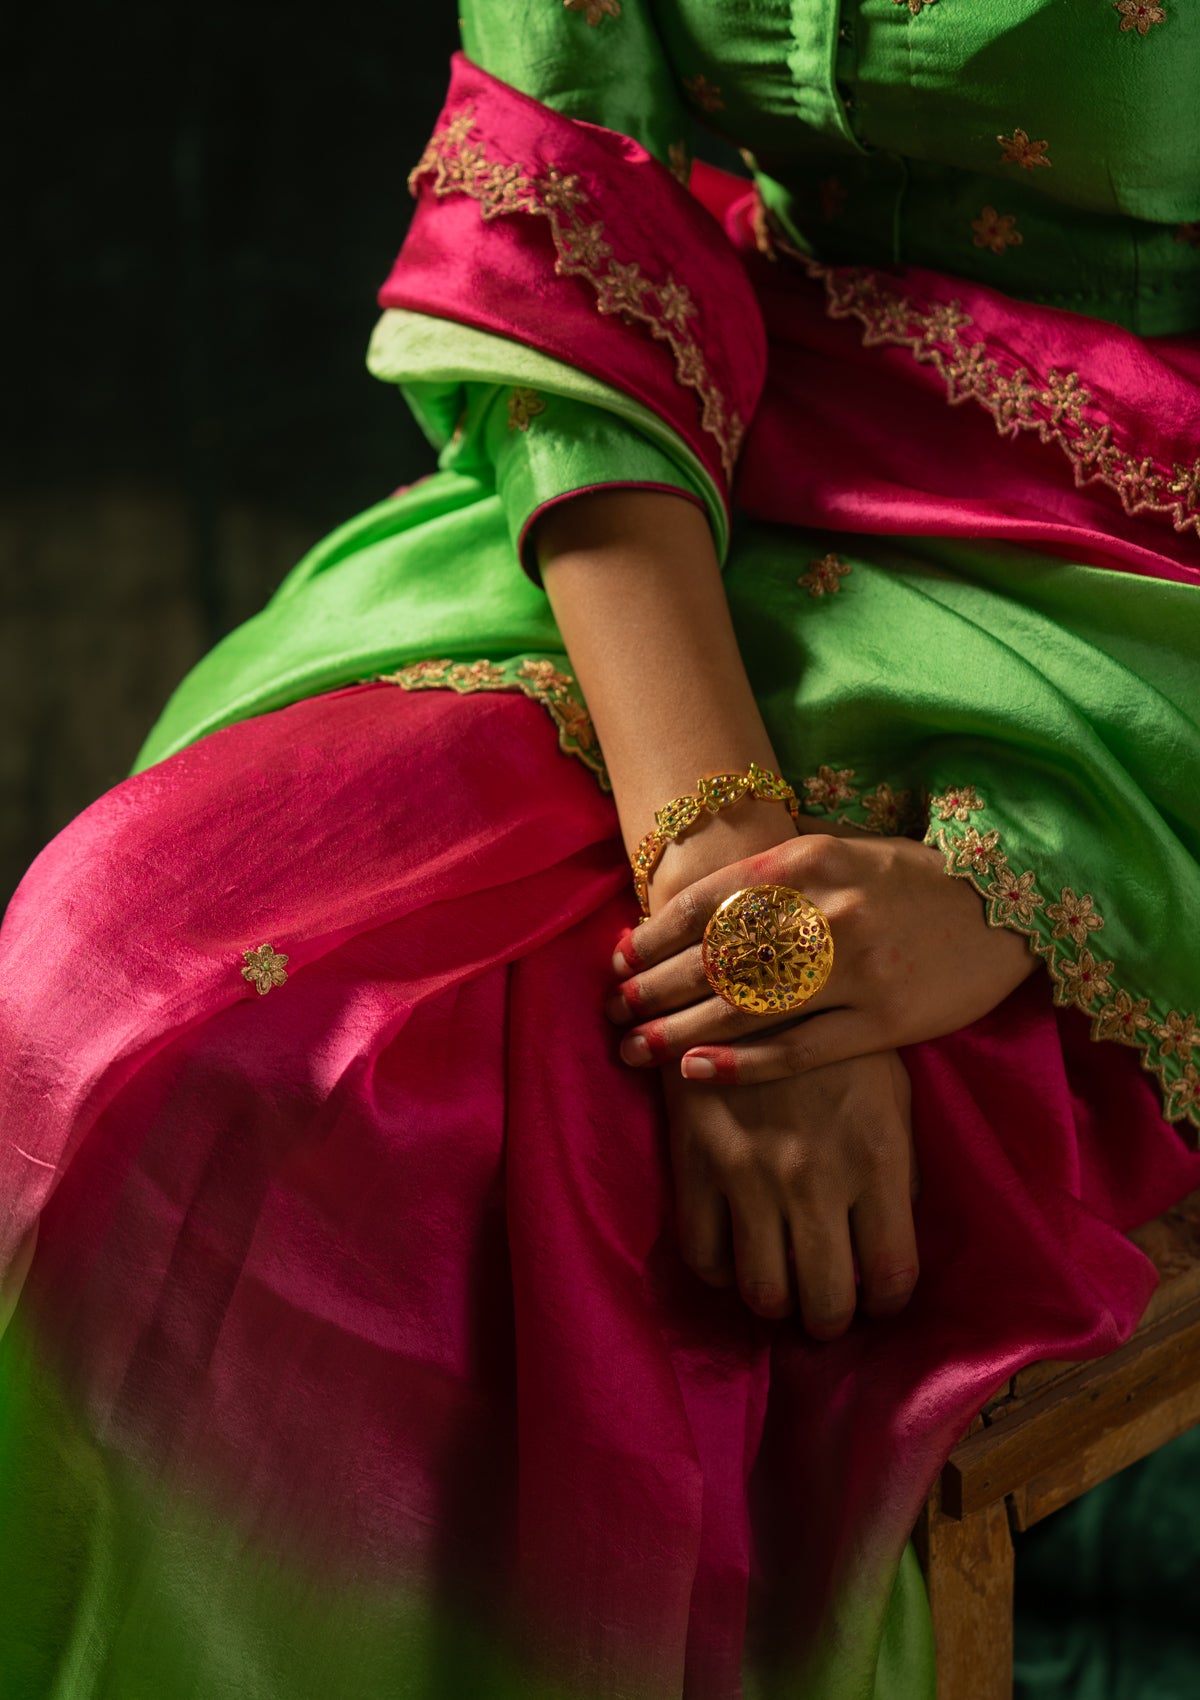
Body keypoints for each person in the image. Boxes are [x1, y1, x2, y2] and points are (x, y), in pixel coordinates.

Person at [1, 4, 1199, 1696]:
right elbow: (565, 198)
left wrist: (1025, 897)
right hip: (694, 494)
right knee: (135, 997)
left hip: (1147, 641)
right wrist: (726, 875)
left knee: (587, 1198)